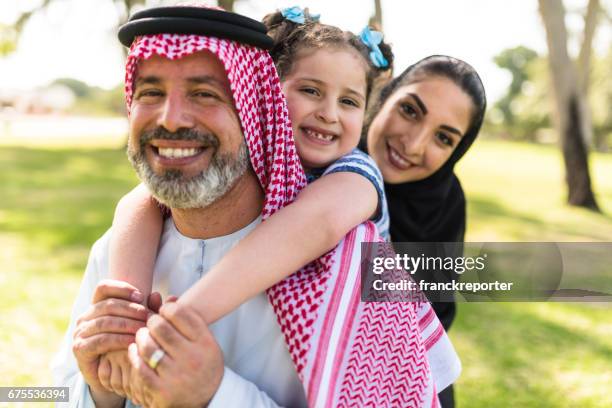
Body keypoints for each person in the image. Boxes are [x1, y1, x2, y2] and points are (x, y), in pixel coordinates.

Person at [53, 5, 460, 407]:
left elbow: (316, 223)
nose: (172, 119)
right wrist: (103, 390)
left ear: (258, 109)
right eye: (151, 92)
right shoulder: (120, 249)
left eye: (204, 94)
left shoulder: (353, 252)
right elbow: (46, 392)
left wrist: (211, 389)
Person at [363, 55, 487, 407]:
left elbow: (433, 315)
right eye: (410, 111)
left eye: (443, 139)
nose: (414, 145)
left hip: (406, 379)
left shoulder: (446, 203)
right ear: (385, 95)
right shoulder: (322, 160)